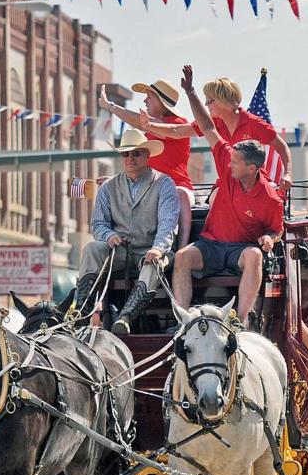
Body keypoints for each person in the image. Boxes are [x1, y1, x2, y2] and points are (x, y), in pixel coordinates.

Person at [171, 64, 284, 328]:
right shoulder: (226, 162)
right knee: (182, 257)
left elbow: (276, 229)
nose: (228, 164)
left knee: (255, 256)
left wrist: (269, 238)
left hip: (240, 250)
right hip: (211, 245)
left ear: (253, 168)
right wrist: (190, 92)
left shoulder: (270, 197)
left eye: (235, 162)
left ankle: (239, 322)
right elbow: (208, 127)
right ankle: (184, 321)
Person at [72, 128, 180, 335]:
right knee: (91, 249)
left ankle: (125, 318)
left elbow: (168, 222)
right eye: (126, 153)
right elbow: (98, 224)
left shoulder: (164, 183)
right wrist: (108, 236)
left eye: (137, 153)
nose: (130, 158)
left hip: (152, 249)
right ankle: (81, 314)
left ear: (147, 155)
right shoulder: (108, 186)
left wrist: (158, 248)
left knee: (153, 262)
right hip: (119, 252)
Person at [142, 72, 294, 192]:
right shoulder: (212, 123)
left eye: (210, 100)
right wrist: (148, 125)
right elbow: (177, 131)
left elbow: (282, 147)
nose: (206, 104)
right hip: (225, 185)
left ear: (224, 99)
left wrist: (288, 174)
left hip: (253, 183)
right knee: (216, 200)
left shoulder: (254, 123)